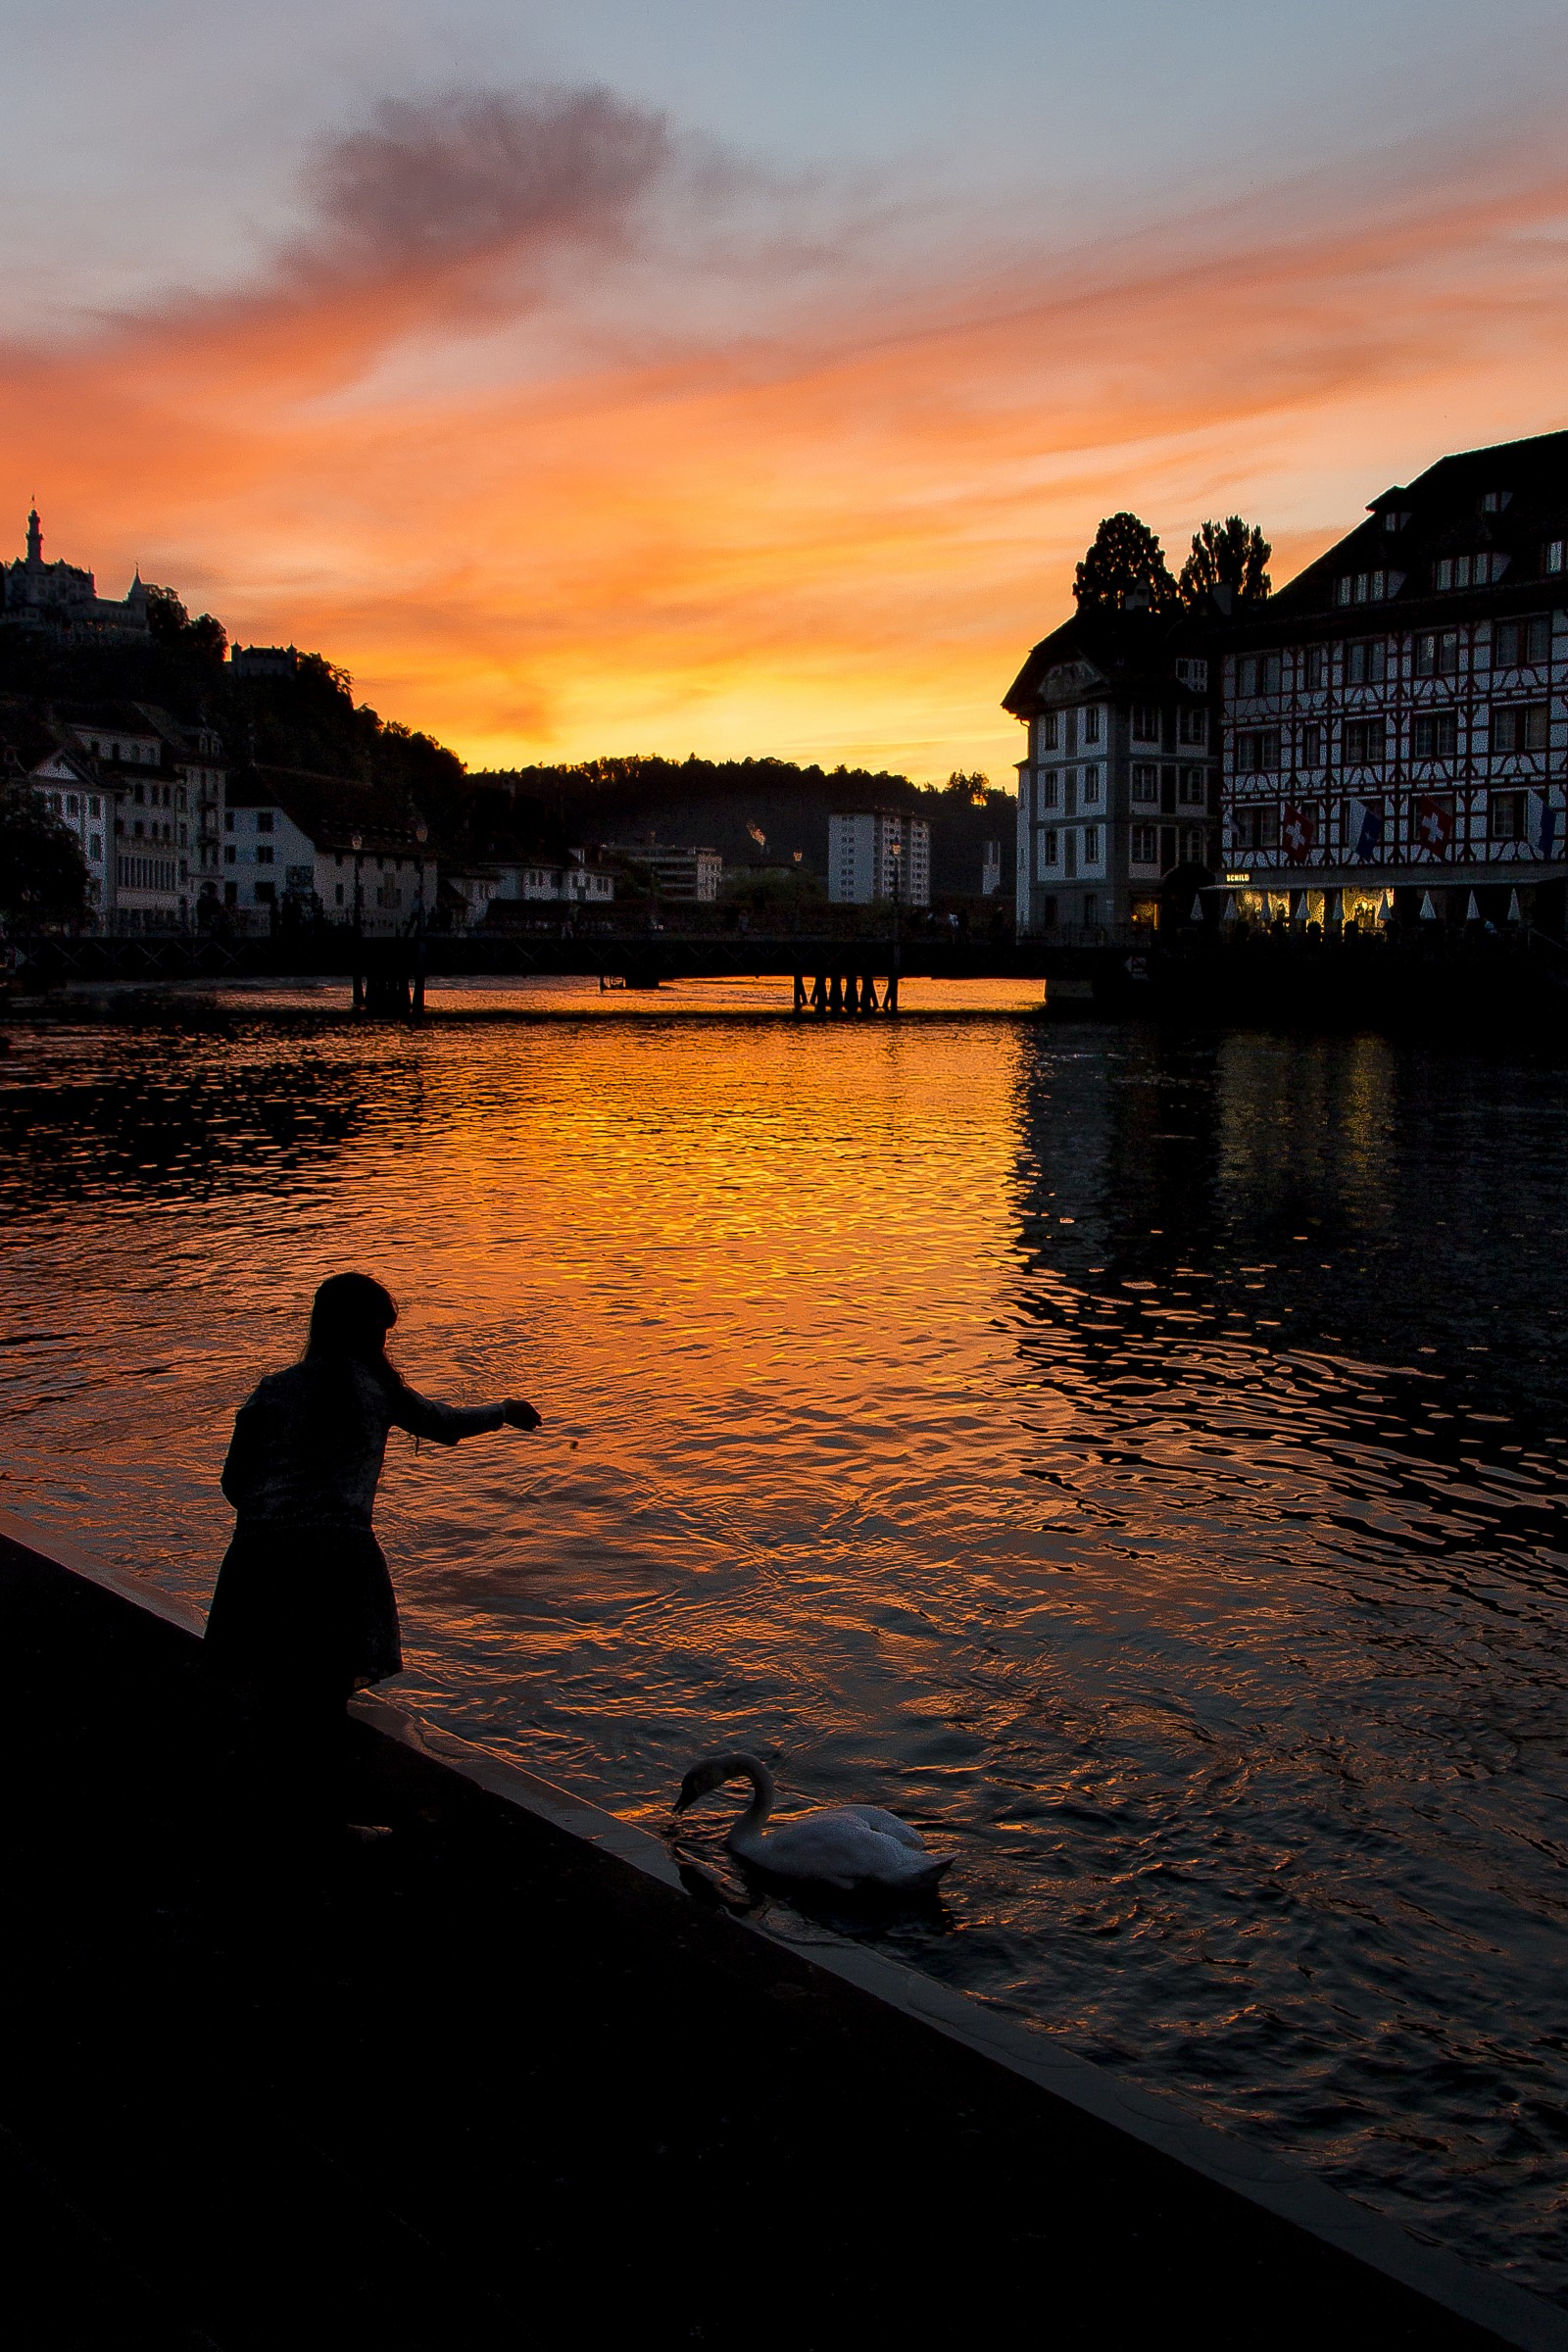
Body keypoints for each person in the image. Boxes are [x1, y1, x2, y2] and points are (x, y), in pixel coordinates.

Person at [206, 1272, 540, 1817]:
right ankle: (319, 1825)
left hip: (258, 1556)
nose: (385, 1342)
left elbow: (234, 1486)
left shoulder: (272, 1390)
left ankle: (265, 1814)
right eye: (382, 1330)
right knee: (323, 1696)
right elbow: (444, 1424)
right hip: (336, 1557)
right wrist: (503, 1411)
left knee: (269, 1690)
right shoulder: (373, 1388)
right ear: (368, 1332)